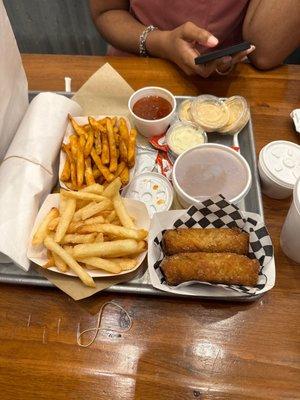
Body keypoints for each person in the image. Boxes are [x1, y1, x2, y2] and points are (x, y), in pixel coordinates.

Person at [89, 0, 300, 77]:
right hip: (137, 61)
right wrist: (161, 43)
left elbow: (266, 50)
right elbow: (107, 12)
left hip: (229, 80)